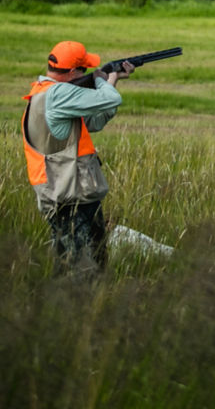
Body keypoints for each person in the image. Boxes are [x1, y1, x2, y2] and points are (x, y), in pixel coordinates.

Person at [21, 40, 135, 276]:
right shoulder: (59, 94)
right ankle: (75, 309)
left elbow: (94, 121)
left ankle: (86, 306)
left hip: (74, 191)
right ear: (73, 72)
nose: (87, 74)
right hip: (68, 196)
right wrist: (102, 80)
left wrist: (111, 79)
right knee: (79, 269)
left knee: (87, 260)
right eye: (84, 70)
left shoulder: (45, 93)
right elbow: (112, 99)